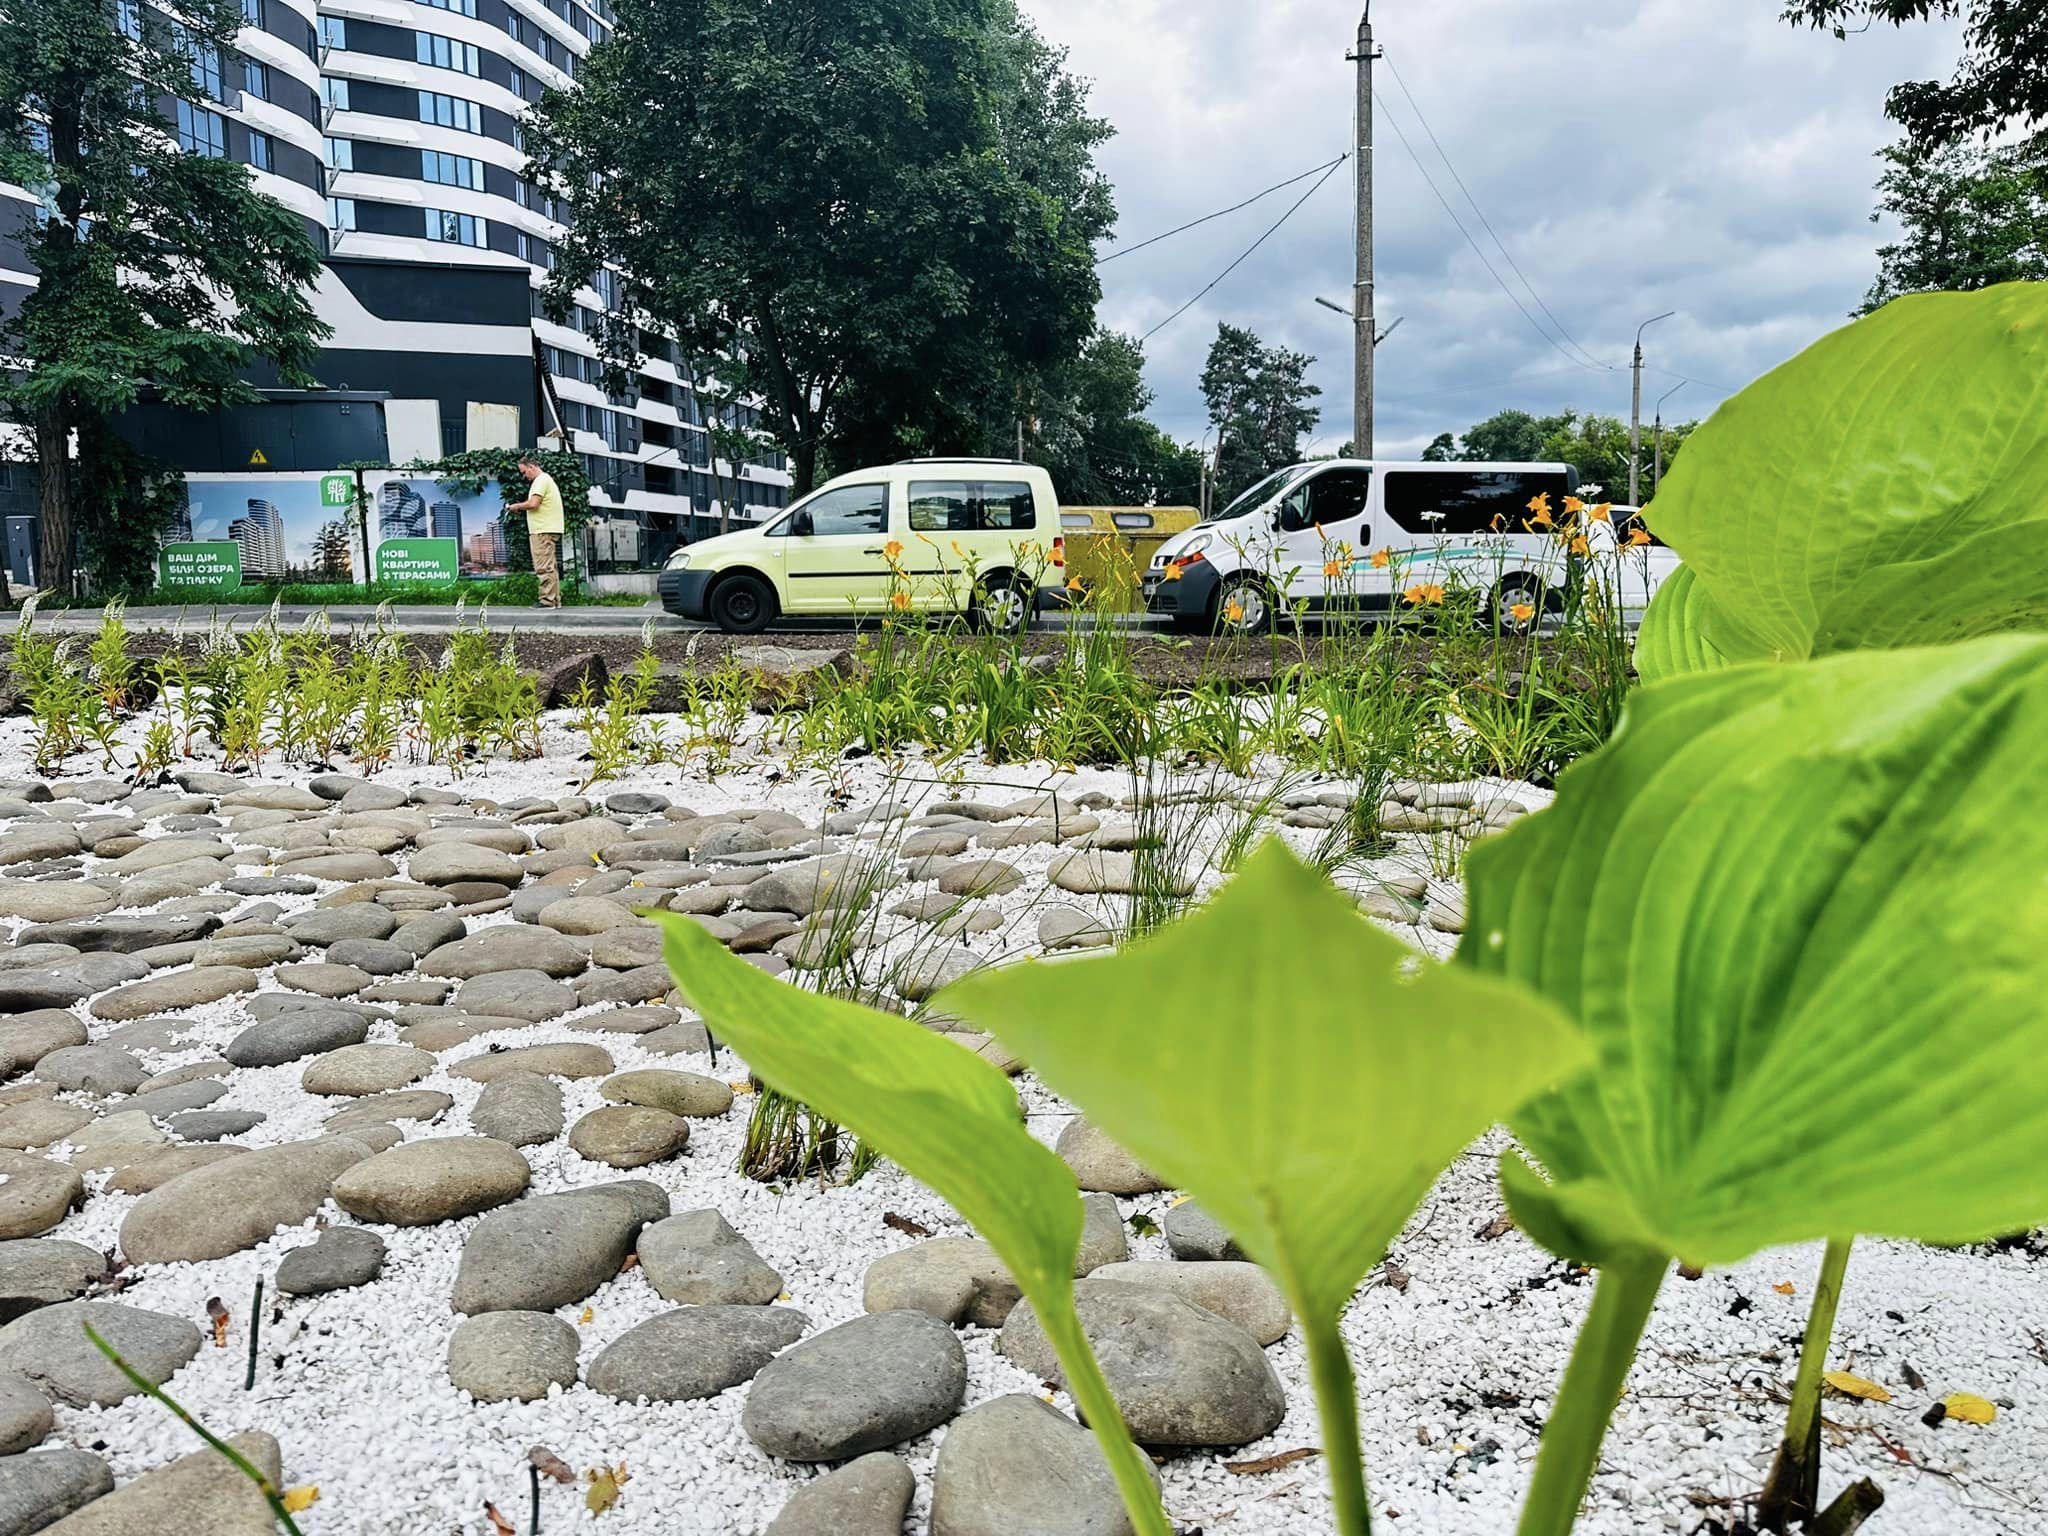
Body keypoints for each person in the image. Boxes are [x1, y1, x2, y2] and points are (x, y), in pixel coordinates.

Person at [506, 450, 565, 608]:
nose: (524, 476)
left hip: (542, 530)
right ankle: (554, 600)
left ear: (531, 466)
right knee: (550, 566)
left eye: (524, 472)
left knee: (543, 566)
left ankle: (547, 601)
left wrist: (516, 506)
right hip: (549, 527)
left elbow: (533, 504)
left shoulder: (540, 481)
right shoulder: (547, 480)